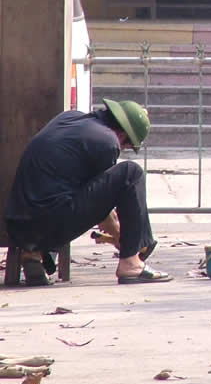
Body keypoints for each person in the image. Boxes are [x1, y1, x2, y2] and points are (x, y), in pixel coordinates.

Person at [4, 99, 171, 285]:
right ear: (122, 134)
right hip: (49, 224)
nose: (122, 149)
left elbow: (90, 192)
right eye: (126, 146)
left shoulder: (68, 118)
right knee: (131, 173)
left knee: (55, 194)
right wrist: (121, 237)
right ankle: (130, 263)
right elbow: (104, 215)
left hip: (18, 224)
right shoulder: (107, 141)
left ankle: (33, 256)